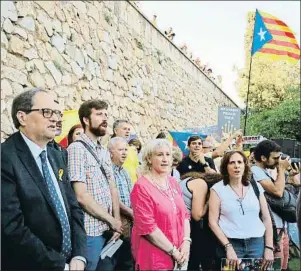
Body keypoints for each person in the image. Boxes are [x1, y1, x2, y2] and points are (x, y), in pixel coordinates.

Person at [2, 88, 87, 270]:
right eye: (47, 112)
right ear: (22, 117)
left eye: (57, 113)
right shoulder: (5, 158)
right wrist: (59, 266)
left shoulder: (57, 155)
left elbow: (73, 207)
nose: (56, 119)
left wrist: (79, 255)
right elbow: (11, 227)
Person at [67, 100, 123, 271]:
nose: (105, 118)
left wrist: (117, 220)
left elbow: (112, 186)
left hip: (108, 228)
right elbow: (81, 196)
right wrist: (111, 220)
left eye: (106, 114)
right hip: (89, 231)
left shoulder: (104, 151)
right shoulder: (77, 149)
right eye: (99, 114)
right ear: (85, 119)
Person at [131, 139, 191, 270]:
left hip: (180, 255)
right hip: (155, 257)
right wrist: (173, 251)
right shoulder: (141, 186)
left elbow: (185, 215)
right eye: (159, 155)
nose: (165, 159)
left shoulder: (173, 182)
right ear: (149, 159)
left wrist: (186, 241)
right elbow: (148, 228)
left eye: (168, 154)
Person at [209, 151, 274, 270]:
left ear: (245, 165)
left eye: (240, 162)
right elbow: (212, 222)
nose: (236, 166)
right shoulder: (217, 189)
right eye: (232, 162)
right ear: (225, 167)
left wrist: (269, 247)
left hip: (256, 243)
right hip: (231, 244)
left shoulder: (255, 187)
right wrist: (228, 247)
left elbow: (266, 218)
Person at [252, 140, 291, 270]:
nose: (278, 160)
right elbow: (278, 192)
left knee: (282, 266)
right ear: (263, 158)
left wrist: (289, 176)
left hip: (280, 227)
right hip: (272, 229)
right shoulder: (255, 171)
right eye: (275, 158)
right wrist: (281, 169)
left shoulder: (265, 171)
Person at [179, 171, 223, 270]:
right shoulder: (201, 184)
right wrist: (210, 199)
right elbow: (197, 215)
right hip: (183, 225)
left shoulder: (191, 180)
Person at [108, 137, 134, 270]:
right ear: (110, 152)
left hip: (128, 223)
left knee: (127, 261)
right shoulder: (108, 171)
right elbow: (112, 198)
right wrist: (129, 212)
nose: (124, 153)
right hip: (115, 221)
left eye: (125, 149)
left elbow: (132, 195)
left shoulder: (125, 172)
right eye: (120, 150)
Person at [112, 119, 139, 184]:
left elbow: (137, 170)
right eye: (124, 129)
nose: (127, 131)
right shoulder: (109, 148)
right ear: (116, 131)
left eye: (129, 129)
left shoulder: (131, 150)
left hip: (133, 189)